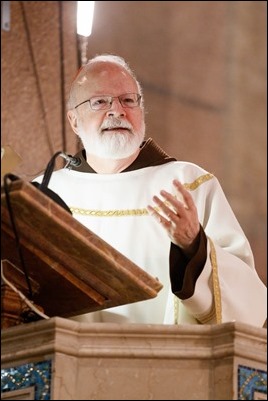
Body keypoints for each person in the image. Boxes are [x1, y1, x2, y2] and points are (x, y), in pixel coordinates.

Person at [34, 54, 266, 327]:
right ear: (74, 121)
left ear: (141, 110)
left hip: (166, 363)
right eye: (99, 101)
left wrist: (194, 246)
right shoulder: (44, 193)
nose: (117, 110)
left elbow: (246, 296)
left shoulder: (188, 184)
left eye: (128, 100)